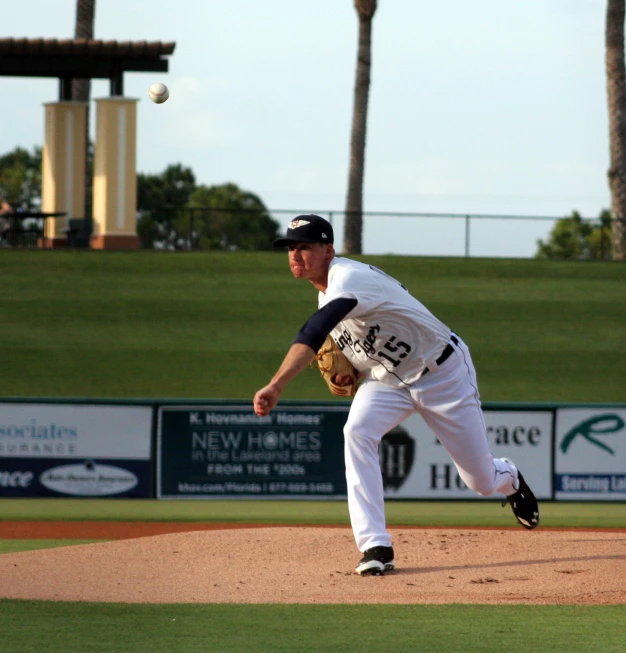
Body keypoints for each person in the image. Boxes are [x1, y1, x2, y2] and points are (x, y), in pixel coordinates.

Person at [253, 214, 539, 576]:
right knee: (356, 431)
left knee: (480, 481)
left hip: (443, 374)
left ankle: (509, 477)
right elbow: (354, 353)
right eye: (291, 248)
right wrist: (351, 373)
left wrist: (277, 383)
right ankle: (375, 545)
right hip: (388, 381)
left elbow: (314, 330)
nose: (296, 255)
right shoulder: (328, 300)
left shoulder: (348, 278)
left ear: (328, 250)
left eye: (305, 247)